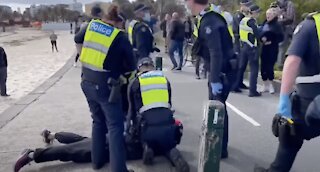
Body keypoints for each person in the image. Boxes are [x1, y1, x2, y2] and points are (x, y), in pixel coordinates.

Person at [254, 12, 320, 172]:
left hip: (309, 100)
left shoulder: (311, 25)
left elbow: (292, 62)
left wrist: (284, 100)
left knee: (289, 135)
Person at [74, 5, 136, 172]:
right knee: (115, 126)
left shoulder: (90, 26)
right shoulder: (120, 37)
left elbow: (77, 40)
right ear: (119, 21)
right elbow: (131, 66)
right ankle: (118, 169)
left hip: (86, 82)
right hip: (106, 88)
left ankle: (97, 162)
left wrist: (83, 60)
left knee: (97, 121)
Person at [13, 117, 184, 172]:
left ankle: (51, 135)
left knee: (82, 140)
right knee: (73, 151)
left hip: (112, 139)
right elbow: (179, 162)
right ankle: (32, 154)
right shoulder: (166, 144)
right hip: (112, 146)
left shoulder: (149, 126)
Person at [186, 0, 237, 159]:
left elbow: (216, 52)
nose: (186, 6)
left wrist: (214, 78)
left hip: (221, 71)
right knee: (217, 107)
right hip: (221, 69)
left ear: (192, 2)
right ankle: (218, 142)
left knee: (217, 109)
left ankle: (219, 148)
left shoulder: (209, 21)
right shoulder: (209, 17)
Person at [126, 58, 189, 172]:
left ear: (139, 68)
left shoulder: (135, 82)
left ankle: (147, 147)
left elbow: (131, 113)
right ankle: (173, 154)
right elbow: (168, 104)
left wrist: (129, 132)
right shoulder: (164, 79)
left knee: (141, 132)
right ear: (152, 66)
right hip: (167, 126)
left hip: (146, 128)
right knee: (168, 145)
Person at [235, 4, 262, 97]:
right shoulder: (251, 22)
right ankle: (252, 91)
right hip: (252, 47)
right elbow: (258, 34)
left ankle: (236, 85)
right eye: (258, 12)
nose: (258, 14)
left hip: (243, 46)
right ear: (254, 13)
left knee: (241, 67)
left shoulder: (243, 20)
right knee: (254, 69)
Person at [260, 8, 284, 94]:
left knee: (270, 66)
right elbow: (260, 32)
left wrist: (271, 41)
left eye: (270, 14)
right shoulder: (264, 23)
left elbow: (281, 37)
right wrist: (261, 39)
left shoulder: (277, 25)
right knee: (263, 66)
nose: (268, 16)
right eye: (267, 14)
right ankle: (264, 84)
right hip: (264, 47)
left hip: (272, 48)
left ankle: (270, 85)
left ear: (274, 15)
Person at [276, 0, 296, 67]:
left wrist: (282, 14)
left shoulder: (289, 4)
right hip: (281, 28)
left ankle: (290, 64)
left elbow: (290, 18)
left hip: (289, 28)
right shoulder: (277, 5)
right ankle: (280, 65)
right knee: (281, 47)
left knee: (292, 46)